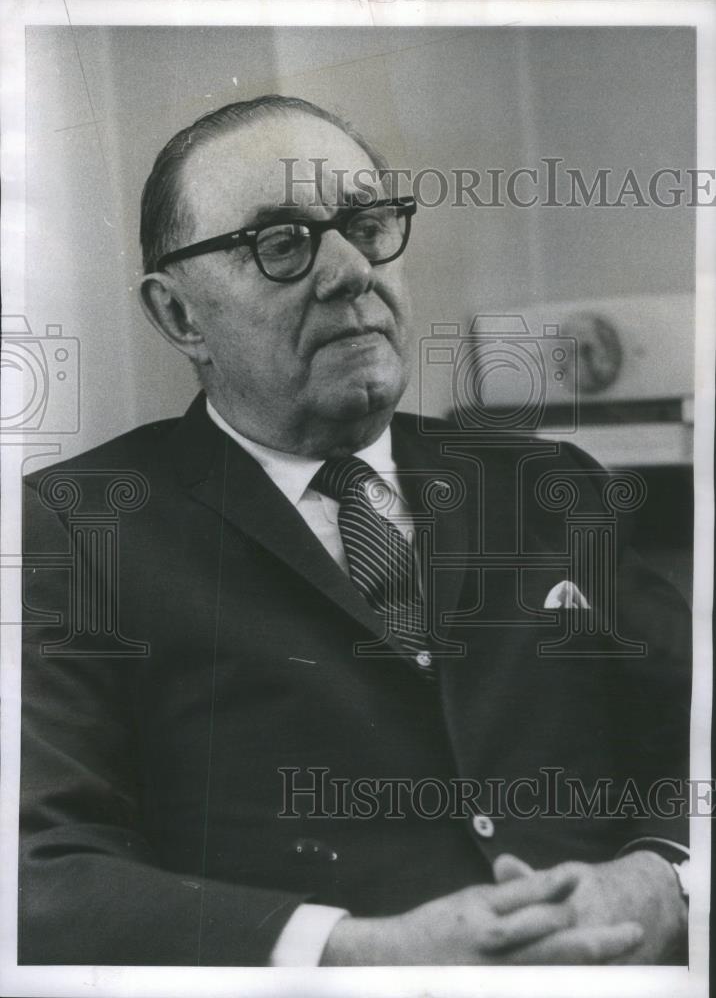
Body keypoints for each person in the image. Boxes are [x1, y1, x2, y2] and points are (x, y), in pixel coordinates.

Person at [20, 95, 691, 967]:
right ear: (180, 316)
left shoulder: (547, 484)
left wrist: (665, 879)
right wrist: (357, 956)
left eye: (367, 223)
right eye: (282, 242)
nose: (350, 271)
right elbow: (41, 873)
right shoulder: (76, 525)